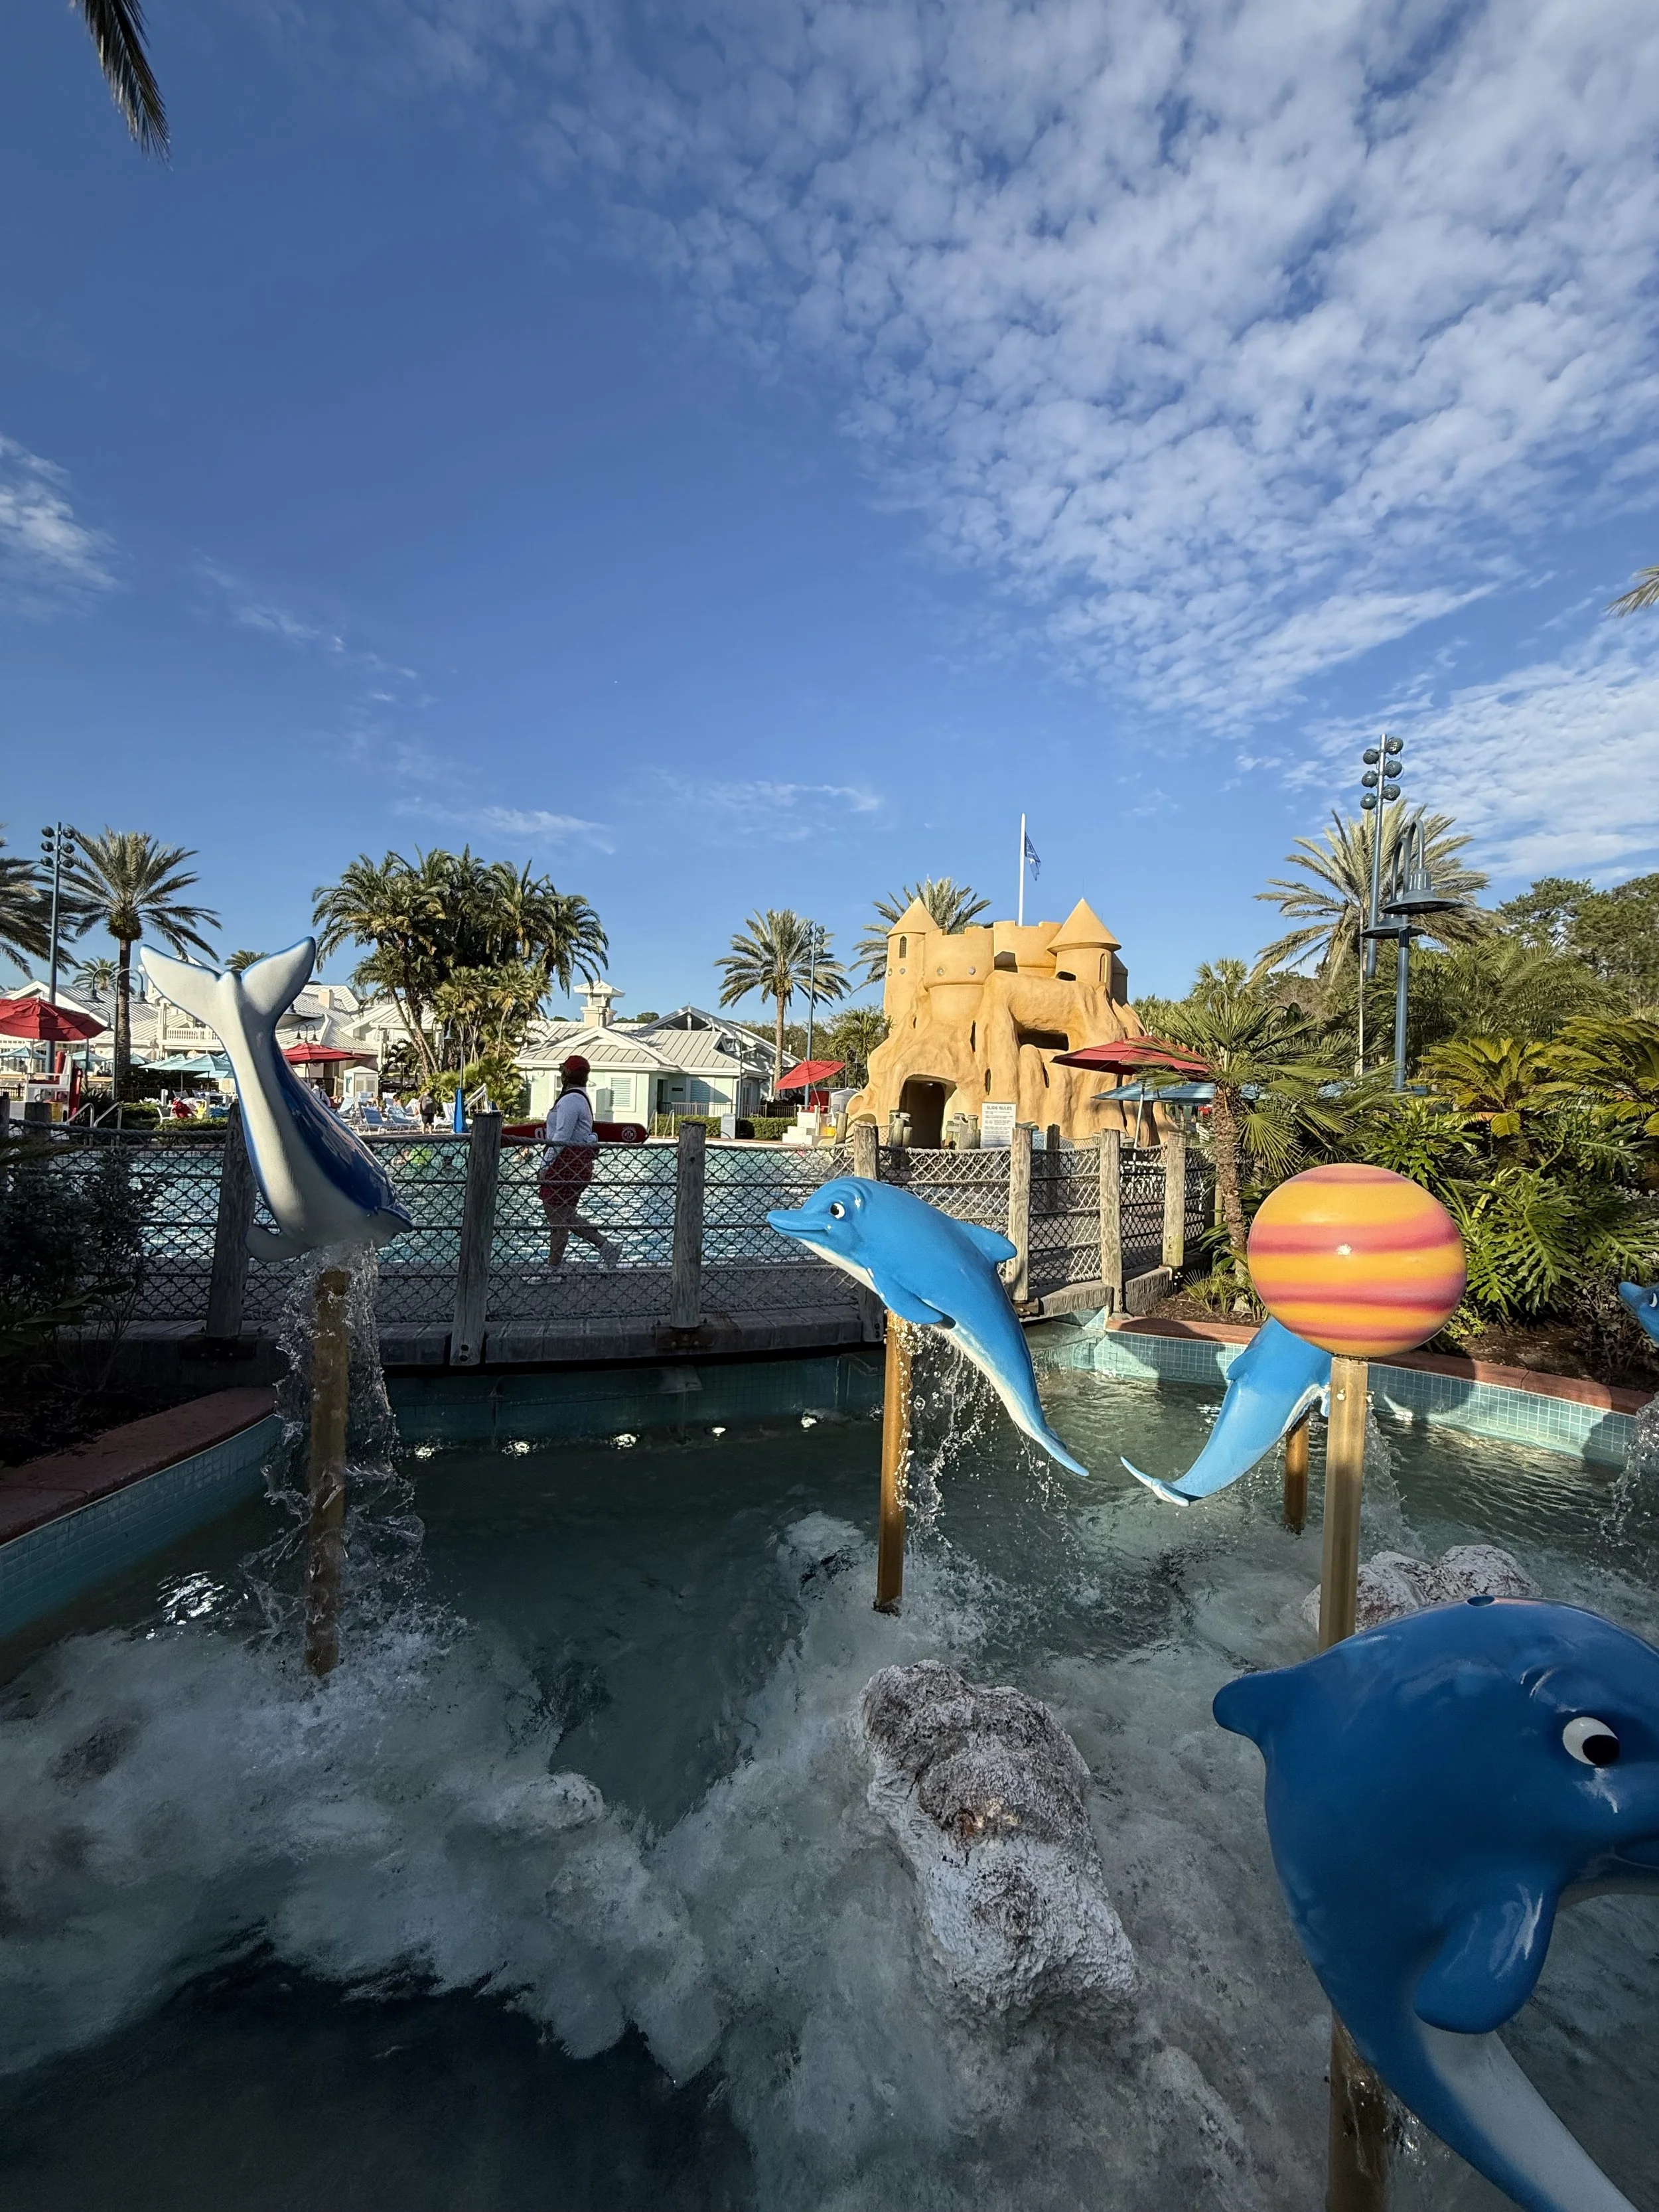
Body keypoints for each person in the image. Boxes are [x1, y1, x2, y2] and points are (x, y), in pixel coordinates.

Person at [538, 1055, 616, 1268]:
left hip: (565, 1164)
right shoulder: (580, 1098)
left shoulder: (571, 1101)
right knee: (566, 1215)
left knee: (557, 1219)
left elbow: (562, 1135)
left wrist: (545, 1165)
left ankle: (552, 1269)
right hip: (576, 1164)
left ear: (567, 1075)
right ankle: (605, 1246)